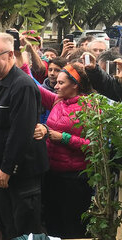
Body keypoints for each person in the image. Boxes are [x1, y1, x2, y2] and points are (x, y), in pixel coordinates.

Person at [0, 33, 48, 240]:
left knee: (24, 231)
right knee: (9, 229)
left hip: (20, 177)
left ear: (10, 54)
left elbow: (21, 132)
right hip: (4, 176)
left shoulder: (22, 85)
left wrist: (7, 168)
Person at [38, 63, 93, 238]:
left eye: (61, 83)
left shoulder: (89, 107)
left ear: (75, 85)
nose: (55, 86)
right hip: (53, 173)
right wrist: (18, 55)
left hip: (75, 178)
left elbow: (93, 144)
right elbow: (34, 86)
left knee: (73, 225)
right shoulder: (58, 101)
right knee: (53, 222)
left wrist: (64, 138)